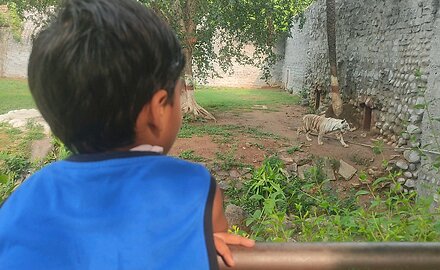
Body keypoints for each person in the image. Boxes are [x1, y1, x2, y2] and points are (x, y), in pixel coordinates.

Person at [0, 0, 254, 269]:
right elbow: (216, 249)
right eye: (178, 93)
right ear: (158, 110)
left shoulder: (25, 198)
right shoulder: (194, 186)